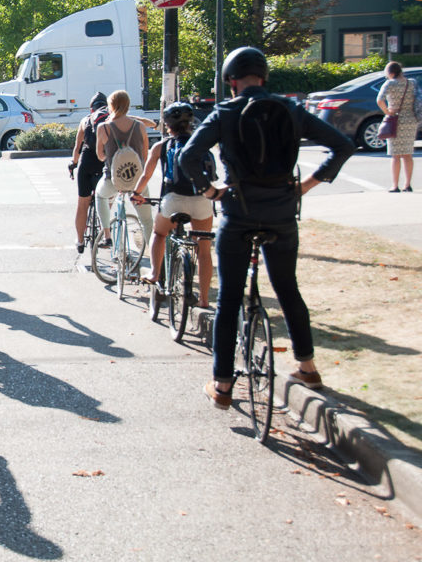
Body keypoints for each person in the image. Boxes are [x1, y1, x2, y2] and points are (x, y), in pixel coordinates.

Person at [178, 47, 354, 410]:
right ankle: (307, 367)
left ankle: (223, 386)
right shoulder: (290, 110)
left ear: (231, 81)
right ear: (265, 78)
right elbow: (342, 145)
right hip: (282, 214)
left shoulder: (224, 113)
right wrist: (306, 185)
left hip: (238, 213)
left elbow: (188, 156)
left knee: (229, 299)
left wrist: (211, 190)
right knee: (288, 289)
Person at [131, 102, 214, 308]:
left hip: (173, 200)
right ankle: (203, 300)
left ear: (168, 125)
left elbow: (146, 175)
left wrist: (137, 194)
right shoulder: (201, 144)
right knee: (204, 250)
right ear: (190, 123)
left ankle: (154, 273)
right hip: (201, 199)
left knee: (159, 234)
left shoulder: (162, 146)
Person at [94, 90, 154, 249]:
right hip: (137, 182)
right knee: (147, 220)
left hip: (113, 180)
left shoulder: (103, 127)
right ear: (128, 105)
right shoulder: (140, 126)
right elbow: (145, 155)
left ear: (111, 106)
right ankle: (156, 261)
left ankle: (107, 236)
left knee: (100, 196)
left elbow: (100, 156)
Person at [69, 92, 110, 253]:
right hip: (103, 163)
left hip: (86, 164)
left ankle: (79, 241)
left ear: (91, 108)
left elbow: (77, 147)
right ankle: (105, 233)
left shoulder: (85, 120)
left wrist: (73, 164)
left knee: (82, 204)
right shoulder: (109, 121)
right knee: (106, 200)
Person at [376, 61, 418, 192]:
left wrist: (388, 111)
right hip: (411, 119)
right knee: (407, 154)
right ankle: (408, 184)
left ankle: (395, 185)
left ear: (391, 73)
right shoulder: (411, 83)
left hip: (396, 119)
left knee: (396, 155)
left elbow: (379, 99)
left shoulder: (389, 84)